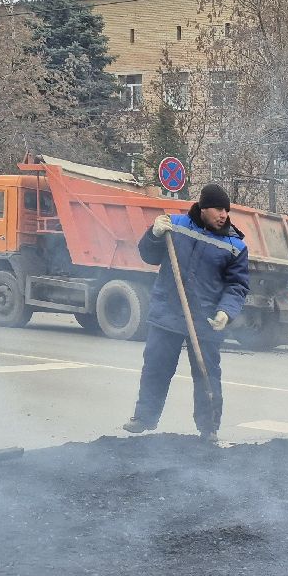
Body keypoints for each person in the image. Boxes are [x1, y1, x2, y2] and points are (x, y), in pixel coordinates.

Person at [123, 183, 248, 442]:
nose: (223, 214)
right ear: (203, 207)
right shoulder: (174, 226)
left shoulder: (235, 245)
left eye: (226, 209)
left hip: (206, 320)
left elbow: (237, 285)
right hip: (168, 312)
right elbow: (148, 255)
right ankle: (144, 418)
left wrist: (226, 311)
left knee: (207, 375)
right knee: (156, 368)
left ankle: (209, 427)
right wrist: (154, 234)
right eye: (217, 208)